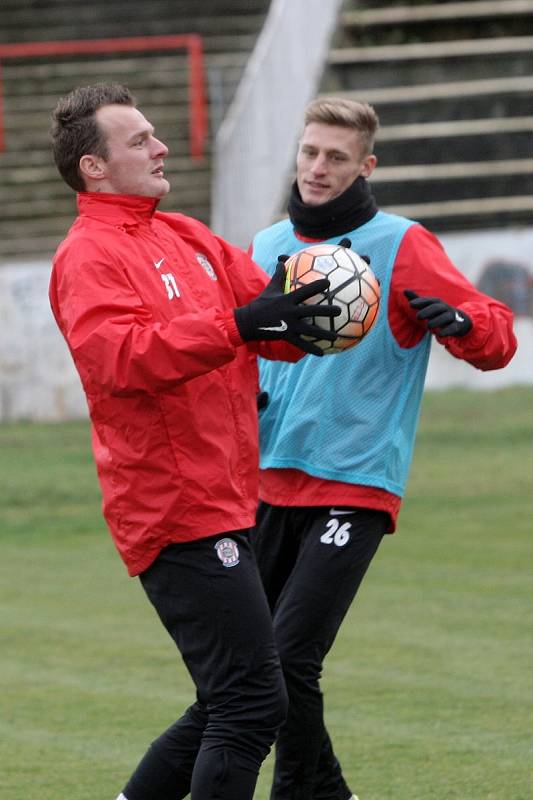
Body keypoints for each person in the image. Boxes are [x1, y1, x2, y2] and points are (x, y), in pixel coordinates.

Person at [48, 83, 341, 800]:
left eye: (155, 134)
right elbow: (121, 358)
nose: (161, 147)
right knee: (249, 702)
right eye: (140, 139)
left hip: (227, 494)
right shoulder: (87, 256)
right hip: (170, 506)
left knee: (230, 697)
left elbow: (264, 319)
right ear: (94, 167)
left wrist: (310, 316)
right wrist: (241, 327)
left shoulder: (184, 235)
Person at [250, 96, 518, 800]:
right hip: (263, 481)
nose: (317, 167)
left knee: (288, 656)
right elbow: (239, 352)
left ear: (365, 165)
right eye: (310, 152)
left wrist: (459, 321)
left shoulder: (401, 243)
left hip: (353, 481)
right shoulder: (265, 244)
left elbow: (494, 337)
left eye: (335, 157)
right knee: (259, 669)